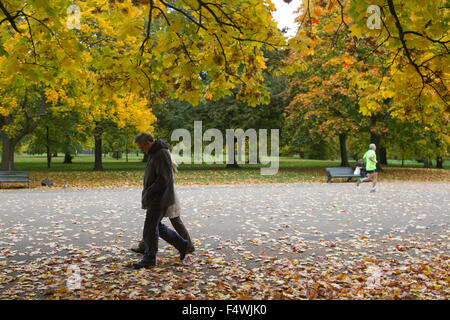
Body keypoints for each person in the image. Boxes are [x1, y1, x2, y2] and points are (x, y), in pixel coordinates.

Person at [130, 132, 188, 269]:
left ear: (148, 143)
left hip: (159, 198)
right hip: (157, 197)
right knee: (157, 227)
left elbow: (164, 178)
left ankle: (150, 258)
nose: (141, 150)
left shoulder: (160, 153)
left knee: (150, 228)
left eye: (141, 147)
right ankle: (182, 244)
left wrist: (150, 191)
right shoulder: (155, 152)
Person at [131, 154, 195, 255]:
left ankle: (188, 246)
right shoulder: (163, 158)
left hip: (165, 196)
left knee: (156, 222)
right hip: (166, 196)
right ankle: (144, 246)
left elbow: (163, 180)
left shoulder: (161, 158)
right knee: (155, 222)